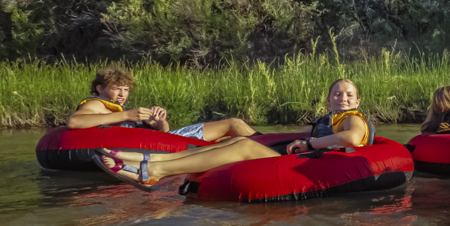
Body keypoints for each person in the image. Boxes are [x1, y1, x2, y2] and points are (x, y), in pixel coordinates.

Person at [95, 79, 370, 190]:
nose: (342, 98)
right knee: (239, 139)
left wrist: (309, 142)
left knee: (243, 148)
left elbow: (352, 139)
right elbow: (302, 135)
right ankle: (143, 159)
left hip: (315, 166)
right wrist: (298, 137)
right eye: (337, 94)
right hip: (305, 157)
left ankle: (152, 172)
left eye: (349, 95)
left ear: (357, 102)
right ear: (328, 99)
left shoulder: (352, 118)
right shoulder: (328, 119)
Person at [69, 66, 256, 141]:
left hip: (160, 141)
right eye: (117, 88)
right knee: (234, 124)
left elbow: (164, 133)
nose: (122, 94)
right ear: (100, 89)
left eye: (126, 90)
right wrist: (127, 115)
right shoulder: (97, 105)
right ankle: (272, 147)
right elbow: (74, 122)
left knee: (227, 137)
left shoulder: (115, 109)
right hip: (165, 142)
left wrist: (160, 122)